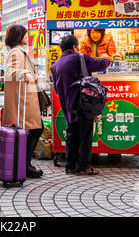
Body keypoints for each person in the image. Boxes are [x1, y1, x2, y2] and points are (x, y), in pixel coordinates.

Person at [50, 34, 110, 176]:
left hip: (68, 106)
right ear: (74, 47)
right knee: (86, 135)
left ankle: (70, 166)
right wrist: (106, 58)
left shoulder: (55, 66)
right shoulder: (80, 57)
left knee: (72, 135)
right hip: (84, 103)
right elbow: (100, 65)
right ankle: (83, 167)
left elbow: (57, 89)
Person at [2, 24, 44, 179]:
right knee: (34, 129)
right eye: (25, 34)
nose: (27, 37)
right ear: (19, 36)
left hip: (25, 98)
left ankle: (25, 164)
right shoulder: (16, 52)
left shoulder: (18, 51)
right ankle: (25, 165)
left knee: (33, 129)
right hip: (22, 100)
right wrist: (24, 72)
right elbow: (9, 72)